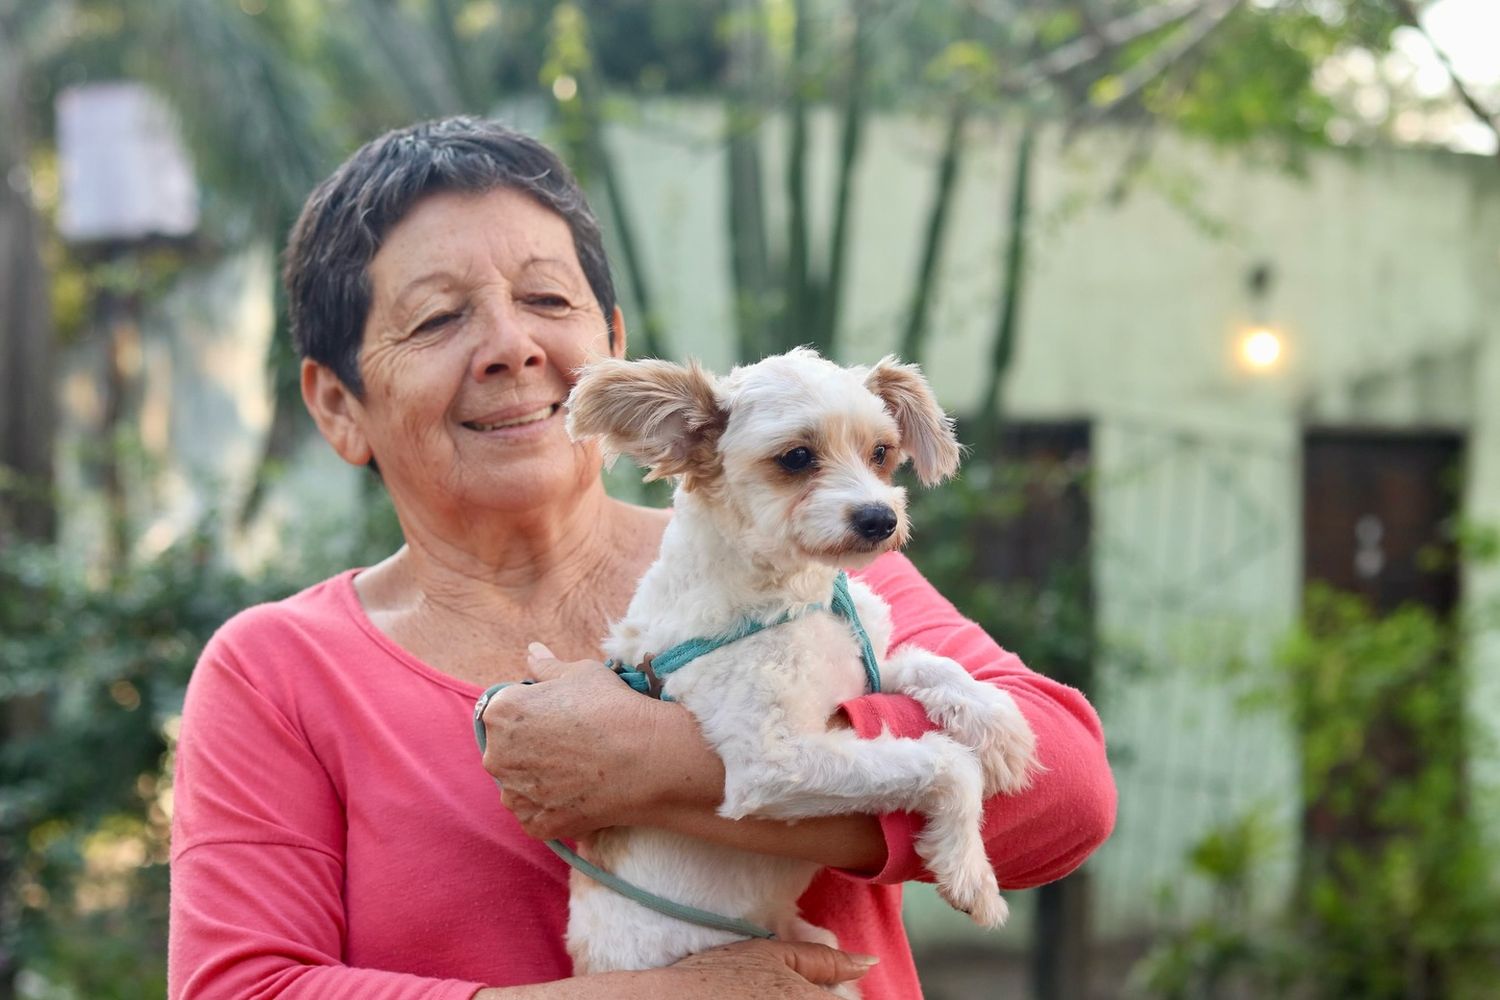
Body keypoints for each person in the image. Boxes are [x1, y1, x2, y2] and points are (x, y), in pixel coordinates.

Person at [167, 116, 1116, 1000]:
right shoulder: (280, 673)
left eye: (547, 299)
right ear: (337, 404)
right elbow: (241, 988)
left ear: (612, 347)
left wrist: (658, 762)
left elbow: (1066, 795)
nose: (511, 346)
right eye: (436, 319)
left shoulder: (793, 558)